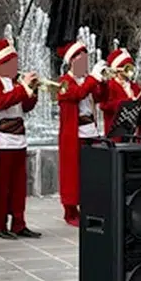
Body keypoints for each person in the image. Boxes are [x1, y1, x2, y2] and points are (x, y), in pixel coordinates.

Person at [0, 39, 41, 239]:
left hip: (19, 139)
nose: (16, 66)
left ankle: (19, 222)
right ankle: (0, 225)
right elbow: (0, 102)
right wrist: (23, 87)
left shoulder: (15, 83)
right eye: (12, 62)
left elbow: (25, 107)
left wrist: (34, 90)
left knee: (19, 185)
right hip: (2, 141)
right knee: (2, 185)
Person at [56, 40, 106, 226]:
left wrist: (104, 82)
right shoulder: (64, 82)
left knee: (91, 173)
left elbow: (101, 98)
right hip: (74, 134)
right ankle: (70, 210)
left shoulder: (87, 80)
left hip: (90, 131)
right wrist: (93, 79)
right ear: (72, 61)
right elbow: (76, 94)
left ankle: (90, 206)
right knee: (73, 173)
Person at [100, 48, 141, 138]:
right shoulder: (109, 85)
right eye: (127, 66)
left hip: (134, 134)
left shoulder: (135, 86)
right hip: (116, 135)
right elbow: (104, 105)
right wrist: (126, 103)